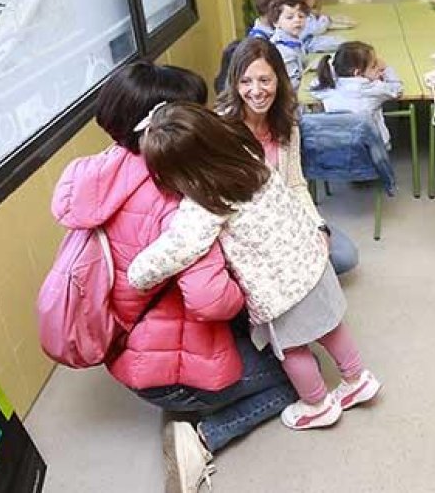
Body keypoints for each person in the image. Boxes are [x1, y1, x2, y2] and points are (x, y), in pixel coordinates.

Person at [51, 62, 295, 492]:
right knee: (297, 377)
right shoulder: (175, 194)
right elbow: (210, 300)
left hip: (127, 346)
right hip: (167, 374)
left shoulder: (102, 169)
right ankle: (201, 437)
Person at [128, 102, 381, 431]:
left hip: (281, 292)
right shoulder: (248, 153)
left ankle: (317, 404)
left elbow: (178, 247)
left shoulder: (207, 198)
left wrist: (136, 275)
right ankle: (357, 378)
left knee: (291, 350)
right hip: (313, 261)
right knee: (332, 326)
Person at [218, 37, 360, 275]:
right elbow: (224, 203)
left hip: (285, 216)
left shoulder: (287, 122)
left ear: (278, 80)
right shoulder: (221, 127)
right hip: (246, 228)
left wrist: (318, 226)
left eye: (264, 80)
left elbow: (295, 183)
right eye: (246, 82)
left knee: (344, 255)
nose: (256, 91)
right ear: (235, 84)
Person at [311, 41, 404, 150]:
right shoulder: (375, 89)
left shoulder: (327, 89)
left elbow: (314, 84)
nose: (379, 68)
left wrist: (335, 65)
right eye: (374, 66)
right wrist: (387, 69)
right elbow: (397, 89)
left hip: (338, 145)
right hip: (373, 147)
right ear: (357, 73)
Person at [267, 0, 309, 91]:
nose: (297, 20)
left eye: (301, 16)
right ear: (276, 22)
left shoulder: (294, 40)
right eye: (290, 17)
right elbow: (293, 86)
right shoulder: (283, 51)